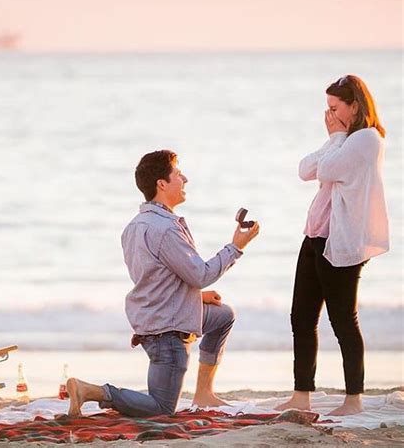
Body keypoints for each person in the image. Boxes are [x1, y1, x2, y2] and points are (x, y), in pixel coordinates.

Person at [66, 149, 260, 417]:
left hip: (157, 318)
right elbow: (200, 275)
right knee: (161, 408)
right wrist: (236, 247)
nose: (185, 179)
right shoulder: (166, 229)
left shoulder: (134, 226)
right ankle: (93, 391)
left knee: (223, 315)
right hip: (167, 331)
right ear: (162, 184)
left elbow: (154, 278)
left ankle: (205, 392)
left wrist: (196, 296)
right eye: (179, 174)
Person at [276, 75, 389, 416]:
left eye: (334, 108)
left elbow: (327, 168)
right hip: (315, 235)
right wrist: (335, 139)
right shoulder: (343, 139)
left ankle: (353, 399)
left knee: (343, 320)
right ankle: (301, 394)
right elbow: (305, 169)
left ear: (354, 106)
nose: (328, 116)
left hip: (340, 241)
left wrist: (336, 138)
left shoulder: (367, 139)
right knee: (301, 317)